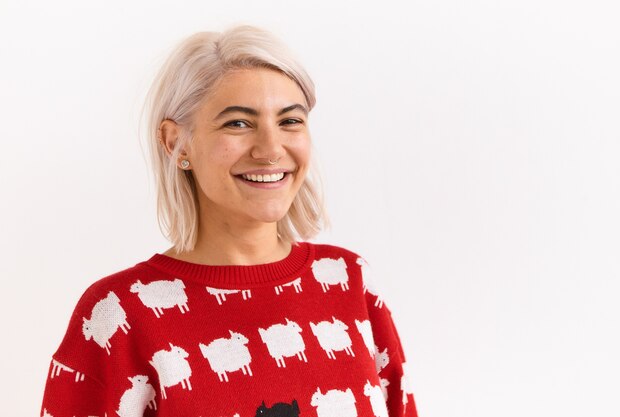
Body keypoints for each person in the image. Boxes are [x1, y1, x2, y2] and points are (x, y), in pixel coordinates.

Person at [40, 24, 419, 417]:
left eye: (290, 121)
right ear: (176, 142)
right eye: (238, 123)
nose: (271, 149)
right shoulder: (119, 314)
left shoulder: (349, 281)